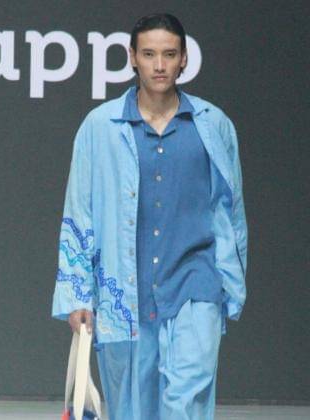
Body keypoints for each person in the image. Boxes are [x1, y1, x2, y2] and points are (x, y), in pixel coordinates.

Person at [51, 13, 247, 420]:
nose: (159, 65)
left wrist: (230, 281)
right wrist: (77, 294)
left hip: (196, 284)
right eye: (149, 54)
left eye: (169, 54)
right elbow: (80, 211)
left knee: (185, 400)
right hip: (125, 290)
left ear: (184, 59)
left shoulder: (213, 125)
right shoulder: (100, 127)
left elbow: (231, 211)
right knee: (131, 408)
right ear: (132, 58)